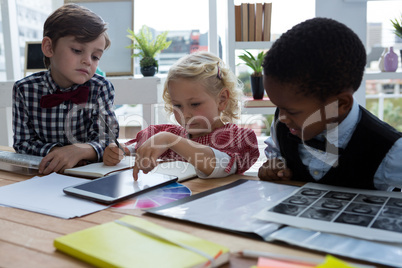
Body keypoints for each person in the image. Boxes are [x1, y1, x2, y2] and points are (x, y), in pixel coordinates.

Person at [258, 17, 402, 191]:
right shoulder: (285, 125)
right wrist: (275, 165)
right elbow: (276, 151)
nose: (282, 117)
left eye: (292, 111)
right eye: (277, 106)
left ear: (340, 104)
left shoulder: (390, 150)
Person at [104, 51, 260, 180]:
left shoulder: (238, 138)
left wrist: (170, 140)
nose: (185, 114)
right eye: (177, 105)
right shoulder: (166, 134)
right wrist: (119, 152)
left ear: (222, 100)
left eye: (195, 104)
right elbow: (135, 149)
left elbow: (220, 166)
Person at [12, 4, 118, 175]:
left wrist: (80, 150)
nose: (87, 61)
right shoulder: (24, 89)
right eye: (77, 50)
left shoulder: (100, 88)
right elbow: (22, 143)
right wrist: (56, 152)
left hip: (88, 176)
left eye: (95, 57)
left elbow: (108, 138)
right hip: (42, 176)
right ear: (49, 47)